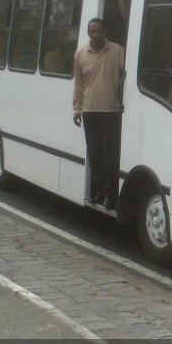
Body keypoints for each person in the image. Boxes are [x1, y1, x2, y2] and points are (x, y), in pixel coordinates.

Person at [72, 18, 124, 209]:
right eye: (92, 32)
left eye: (99, 31)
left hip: (111, 111)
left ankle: (110, 196)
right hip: (89, 111)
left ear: (105, 32)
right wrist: (77, 109)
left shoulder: (117, 50)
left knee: (109, 155)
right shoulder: (80, 54)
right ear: (88, 33)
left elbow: (126, 75)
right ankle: (96, 193)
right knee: (94, 155)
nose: (96, 34)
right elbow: (78, 84)